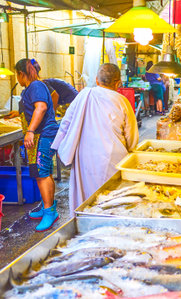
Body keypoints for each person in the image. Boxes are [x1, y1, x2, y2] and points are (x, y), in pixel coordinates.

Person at [51, 63, 139, 216]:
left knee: (87, 197)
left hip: (85, 158)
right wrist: (131, 151)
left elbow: (66, 122)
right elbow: (132, 137)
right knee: (112, 201)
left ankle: (85, 221)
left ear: (97, 81)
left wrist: (60, 147)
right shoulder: (123, 102)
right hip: (114, 159)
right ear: (118, 83)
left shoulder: (84, 95)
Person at [15, 58, 59, 232]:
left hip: (43, 134)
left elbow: (40, 107)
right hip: (43, 134)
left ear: (21, 74)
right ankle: (48, 206)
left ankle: (50, 212)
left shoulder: (35, 86)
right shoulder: (35, 86)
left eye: (17, 76)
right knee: (44, 172)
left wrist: (30, 131)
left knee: (42, 173)